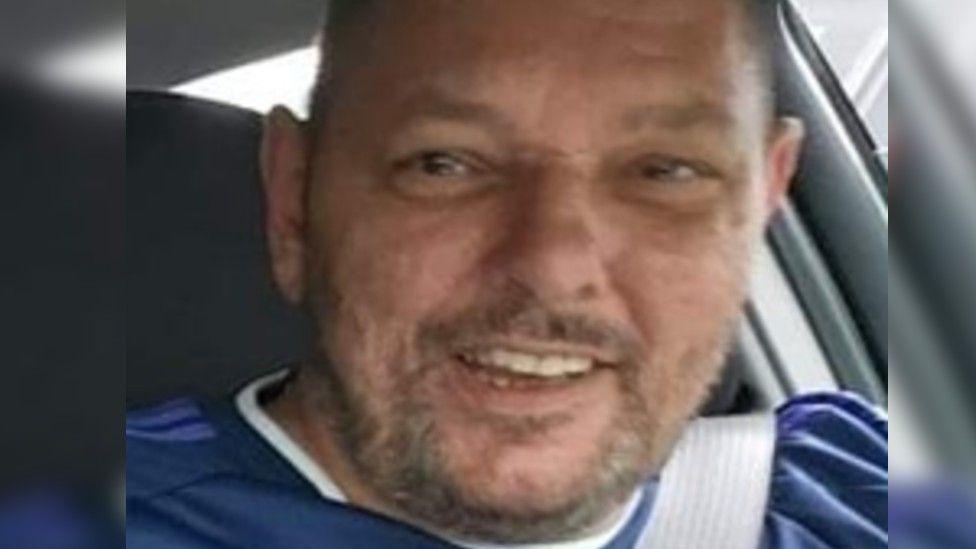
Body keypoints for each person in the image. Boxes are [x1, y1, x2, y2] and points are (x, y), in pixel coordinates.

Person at [126, 0, 887, 547]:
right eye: (445, 163)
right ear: (294, 198)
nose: (551, 267)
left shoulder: (857, 483)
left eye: (665, 171)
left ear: (763, 202)